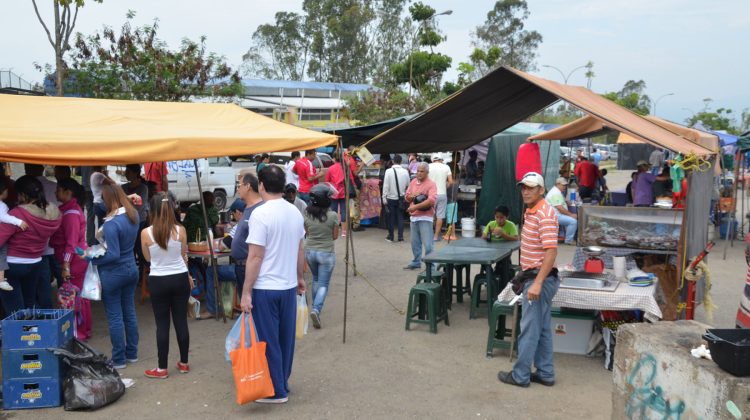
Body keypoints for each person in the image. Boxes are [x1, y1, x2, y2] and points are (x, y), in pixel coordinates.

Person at [240, 165, 305, 404]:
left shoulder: (261, 213)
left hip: (265, 288)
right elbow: (300, 249)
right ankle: (282, 381)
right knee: (285, 340)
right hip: (287, 286)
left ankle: (277, 390)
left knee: (268, 341)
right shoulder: (295, 212)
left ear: (262, 186)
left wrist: (246, 291)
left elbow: (255, 256)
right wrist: (299, 278)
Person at [498, 172, 560, 388]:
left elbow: (551, 251)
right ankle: (545, 373)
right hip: (534, 277)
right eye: (523, 187)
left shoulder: (544, 213)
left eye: (531, 187)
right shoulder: (532, 211)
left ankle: (520, 375)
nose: (525, 191)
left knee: (529, 330)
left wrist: (538, 282)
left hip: (538, 279)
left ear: (541, 190)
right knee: (541, 329)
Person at [140, 192, 192, 378]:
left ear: (152, 210)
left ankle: (162, 368)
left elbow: (147, 259)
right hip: (179, 278)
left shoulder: (146, 233)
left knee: (162, 325)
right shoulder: (181, 230)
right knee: (181, 321)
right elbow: (184, 254)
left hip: (159, 280)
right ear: (172, 208)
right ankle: (184, 363)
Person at [90, 184, 140, 370]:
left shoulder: (111, 224)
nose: (101, 202)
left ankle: (119, 359)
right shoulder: (132, 214)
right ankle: (132, 353)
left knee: (115, 316)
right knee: (129, 311)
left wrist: (93, 259)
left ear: (109, 200)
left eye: (103, 199)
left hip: (113, 273)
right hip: (131, 269)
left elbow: (113, 254)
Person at [0, 176, 61, 313]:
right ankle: (31, 332)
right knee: (29, 303)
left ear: (22, 194)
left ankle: (19, 333)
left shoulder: (17, 214)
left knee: (14, 309)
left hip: (12, 265)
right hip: (35, 263)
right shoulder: (54, 213)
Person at [50, 178, 92, 340]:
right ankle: (83, 330)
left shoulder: (71, 214)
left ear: (68, 192)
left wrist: (66, 264)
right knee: (79, 295)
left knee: (75, 296)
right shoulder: (71, 210)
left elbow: (71, 244)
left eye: (58, 189)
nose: (55, 192)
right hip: (78, 258)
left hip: (74, 261)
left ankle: (79, 332)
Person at [304, 184, 339, 329]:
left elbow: (307, 231)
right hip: (326, 253)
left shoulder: (306, 213)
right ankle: (316, 309)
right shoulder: (332, 216)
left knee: (316, 279)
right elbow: (335, 236)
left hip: (310, 251)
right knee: (323, 283)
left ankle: (314, 307)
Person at [231, 172, 264, 296]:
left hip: (249, 267)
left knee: (251, 303)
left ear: (248, 186)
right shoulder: (247, 207)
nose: (237, 189)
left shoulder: (259, 209)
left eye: (239, 186)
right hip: (240, 266)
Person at [403, 163, 437, 270]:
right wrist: (410, 197)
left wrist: (415, 207)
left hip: (425, 217)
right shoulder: (413, 182)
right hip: (414, 217)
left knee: (428, 245)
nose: (419, 173)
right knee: (415, 243)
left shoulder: (431, 184)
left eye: (422, 171)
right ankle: (416, 262)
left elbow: (431, 201)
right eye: (418, 171)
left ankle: (431, 266)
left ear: (427, 172)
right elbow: (406, 197)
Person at [0, 179, 27, 292]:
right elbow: (3, 217)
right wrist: (18, 221)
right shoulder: (2, 205)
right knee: (2, 253)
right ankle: (1, 280)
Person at [122, 164, 150, 268]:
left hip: (139, 222)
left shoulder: (143, 188)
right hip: (126, 222)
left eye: (128, 171)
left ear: (135, 173)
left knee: (139, 248)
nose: (125, 174)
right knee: (129, 248)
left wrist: (124, 200)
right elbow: (119, 202)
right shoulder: (123, 187)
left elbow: (139, 205)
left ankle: (142, 275)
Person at [382, 154, 410, 243]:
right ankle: (400, 237)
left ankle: (390, 237)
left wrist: (384, 198)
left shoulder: (388, 171)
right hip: (401, 199)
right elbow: (408, 185)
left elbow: (385, 186)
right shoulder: (405, 172)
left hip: (390, 198)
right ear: (401, 162)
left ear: (393, 161)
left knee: (391, 218)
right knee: (400, 217)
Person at [428, 154, 453, 242]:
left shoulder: (428, 166)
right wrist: (444, 186)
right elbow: (450, 181)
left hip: (431, 194)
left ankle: (428, 235)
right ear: (441, 159)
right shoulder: (446, 167)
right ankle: (435, 236)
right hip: (442, 194)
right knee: (440, 216)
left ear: (433, 159)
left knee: (430, 215)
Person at [545, 178, 577, 245]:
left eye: (565, 185)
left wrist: (566, 202)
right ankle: (568, 241)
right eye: (563, 185)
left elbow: (560, 204)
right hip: (553, 215)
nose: (565, 187)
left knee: (571, 219)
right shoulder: (555, 193)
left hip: (554, 214)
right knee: (573, 221)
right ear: (558, 184)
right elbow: (560, 208)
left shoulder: (556, 191)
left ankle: (564, 237)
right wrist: (571, 215)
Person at [324, 153, 350, 237]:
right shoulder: (345, 167)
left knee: (333, 212)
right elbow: (349, 179)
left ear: (334, 158)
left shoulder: (331, 168)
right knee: (343, 212)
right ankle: (344, 231)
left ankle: (333, 230)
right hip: (344, 192)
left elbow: (327, 181)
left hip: (333, 193)